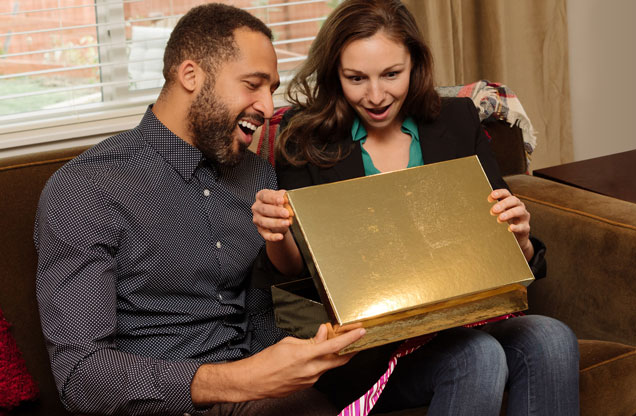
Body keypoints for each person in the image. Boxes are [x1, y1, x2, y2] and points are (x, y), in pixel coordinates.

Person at [251, 0, 580, 415]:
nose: (375, 96)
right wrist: (277, 232)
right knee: (476, 354)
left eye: (392, 74)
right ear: (336, 74)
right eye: (356, 78)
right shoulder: (305, 141)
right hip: (368, 348)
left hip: (460, 318)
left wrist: (521, 239)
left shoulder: (458, 121)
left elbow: (509, 255)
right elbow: (296, 275)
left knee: (551, 338)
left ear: (415, 64)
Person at [34, 4, 365, 415]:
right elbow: (81, 375)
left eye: (272, 89)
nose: (267, 107)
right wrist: (241, 379)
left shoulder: (257, 176)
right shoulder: (86, 188)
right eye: (253, 84)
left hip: (272, 398)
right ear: (190, 75)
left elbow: (268, 310)